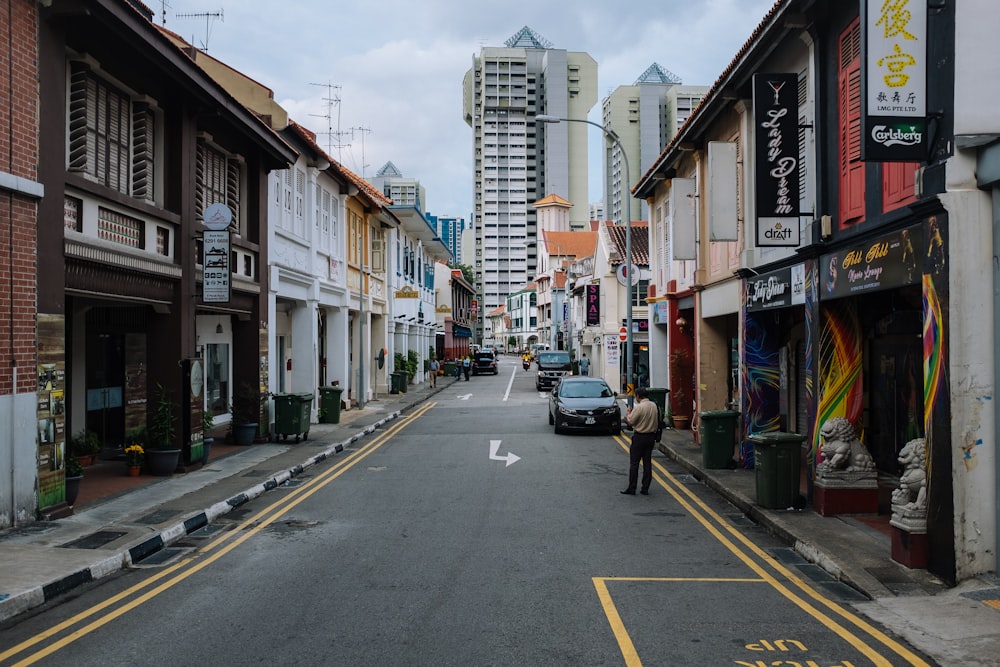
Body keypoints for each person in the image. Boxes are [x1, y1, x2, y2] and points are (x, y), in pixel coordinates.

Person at [621, 386, 660, 496]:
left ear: (638, 397)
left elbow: (631, 422)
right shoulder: (654, 406)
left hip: (639, 437)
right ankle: (645, 488)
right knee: (647, 463)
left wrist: (628, 413)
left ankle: (632, 487)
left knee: (634, 463)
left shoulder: (639, 407)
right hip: (651, 437)